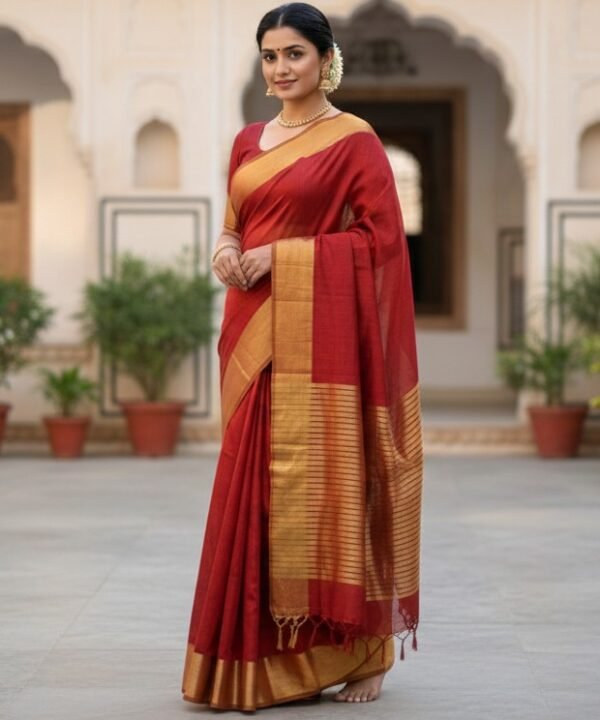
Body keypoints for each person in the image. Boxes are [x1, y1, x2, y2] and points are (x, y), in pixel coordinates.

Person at [181, 2, 423, 711]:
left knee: (329, 488)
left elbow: (381, 243)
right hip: (250, 330)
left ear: (325, 59)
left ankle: (363, 651)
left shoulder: (354, 141)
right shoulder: (247, 141)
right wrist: (226, 250)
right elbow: (234, 224)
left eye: (294, 54)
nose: (281, 68)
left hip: (316, 346)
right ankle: (247, 659)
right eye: (270, 55)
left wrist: (282, 257)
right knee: (247, 491)